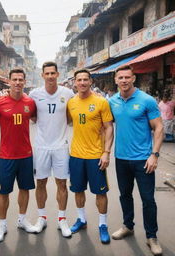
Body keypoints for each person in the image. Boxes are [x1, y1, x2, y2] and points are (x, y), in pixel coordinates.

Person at [109, 65, 163, 256]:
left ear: (134, 79)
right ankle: (127, 226)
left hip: (143, 160)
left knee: (148, 199)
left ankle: (151, 236)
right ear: (116, 80)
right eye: (120, 77)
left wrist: (154, 155)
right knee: (125, 195)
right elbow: (107, 127)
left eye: (127, 77)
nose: (123, 80)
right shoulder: (112, 101)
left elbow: (158, 128)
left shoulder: (146, 100)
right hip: (121, 159)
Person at [0, 68, 37, 243]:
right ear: (8, 81)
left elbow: (37, 120)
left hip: (26, 155)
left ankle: (22, 220)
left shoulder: (30, 102)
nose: (17, 82)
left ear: (25, 82)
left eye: (20, 80)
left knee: (25, 189)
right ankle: (2, 225)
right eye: (14, 79)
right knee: (4, 192)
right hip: (6, 156)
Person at [67, 69, 114, 244]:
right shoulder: (71, 103)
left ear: (91, 81)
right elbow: (64, 121)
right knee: (78, 190)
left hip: (96, 156)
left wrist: (106, 153)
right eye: (79, 80)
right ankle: (82, 219)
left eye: (85, 79)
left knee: (100, 193)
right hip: (76, 155)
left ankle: (103, 225)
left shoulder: (101, 102)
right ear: (75, 82)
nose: (82, 83)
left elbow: (109, 127)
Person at [29, 61, 74, 238]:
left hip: (61, 147)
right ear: (42, 75)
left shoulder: (68, 93)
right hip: (41, 147)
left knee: (62, 183)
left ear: (57, 74)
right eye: (46, 73)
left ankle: (62, 219)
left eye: (52, 73)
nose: (50, 76)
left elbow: (70, 118)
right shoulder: (34, 94)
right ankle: (42, 217)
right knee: (40, 183)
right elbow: (32, 117)